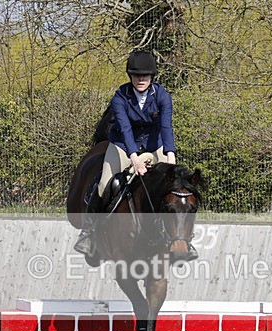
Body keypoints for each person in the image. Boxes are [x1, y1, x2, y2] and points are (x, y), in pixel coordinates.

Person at [74, 50, 195, 262]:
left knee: (175, 190)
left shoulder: (163, 96)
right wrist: (134, 159)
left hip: (154, 145)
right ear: (130, 76)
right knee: (104, 185)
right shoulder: (121, 97)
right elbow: (125, 129)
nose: (141, 79)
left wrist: (171, 156)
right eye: (137, 75)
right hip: (122, 145)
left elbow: (166, 127)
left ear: (152, 77)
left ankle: (181, 240)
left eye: (145, 75)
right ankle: (89, 233)